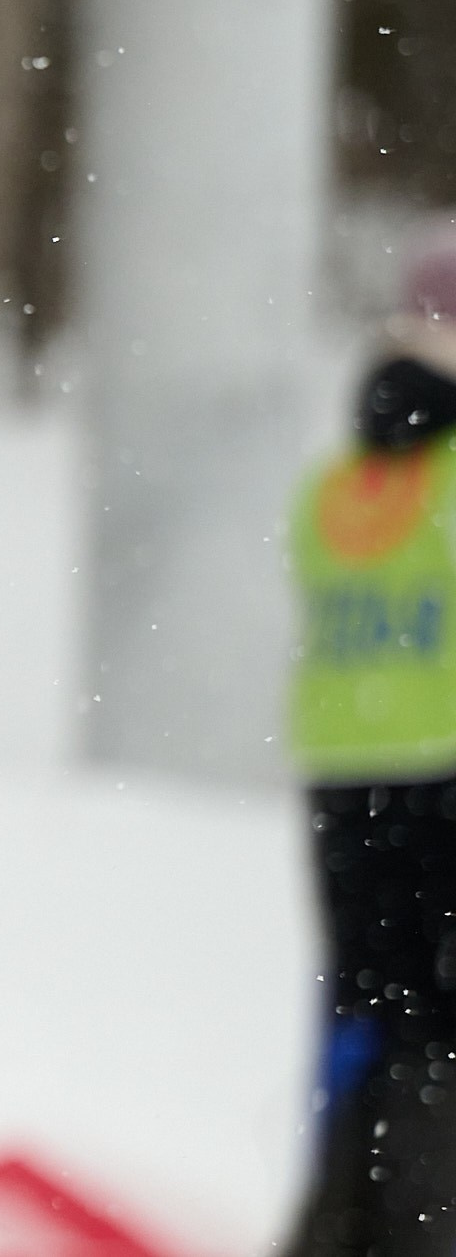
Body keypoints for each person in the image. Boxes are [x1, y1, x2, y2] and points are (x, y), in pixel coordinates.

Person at [286, 232, 456, 1257]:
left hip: (344, 785)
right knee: (437, 1029)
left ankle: (336, 1225)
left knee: (363, 1014)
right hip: (444, 774)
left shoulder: (339, 486)